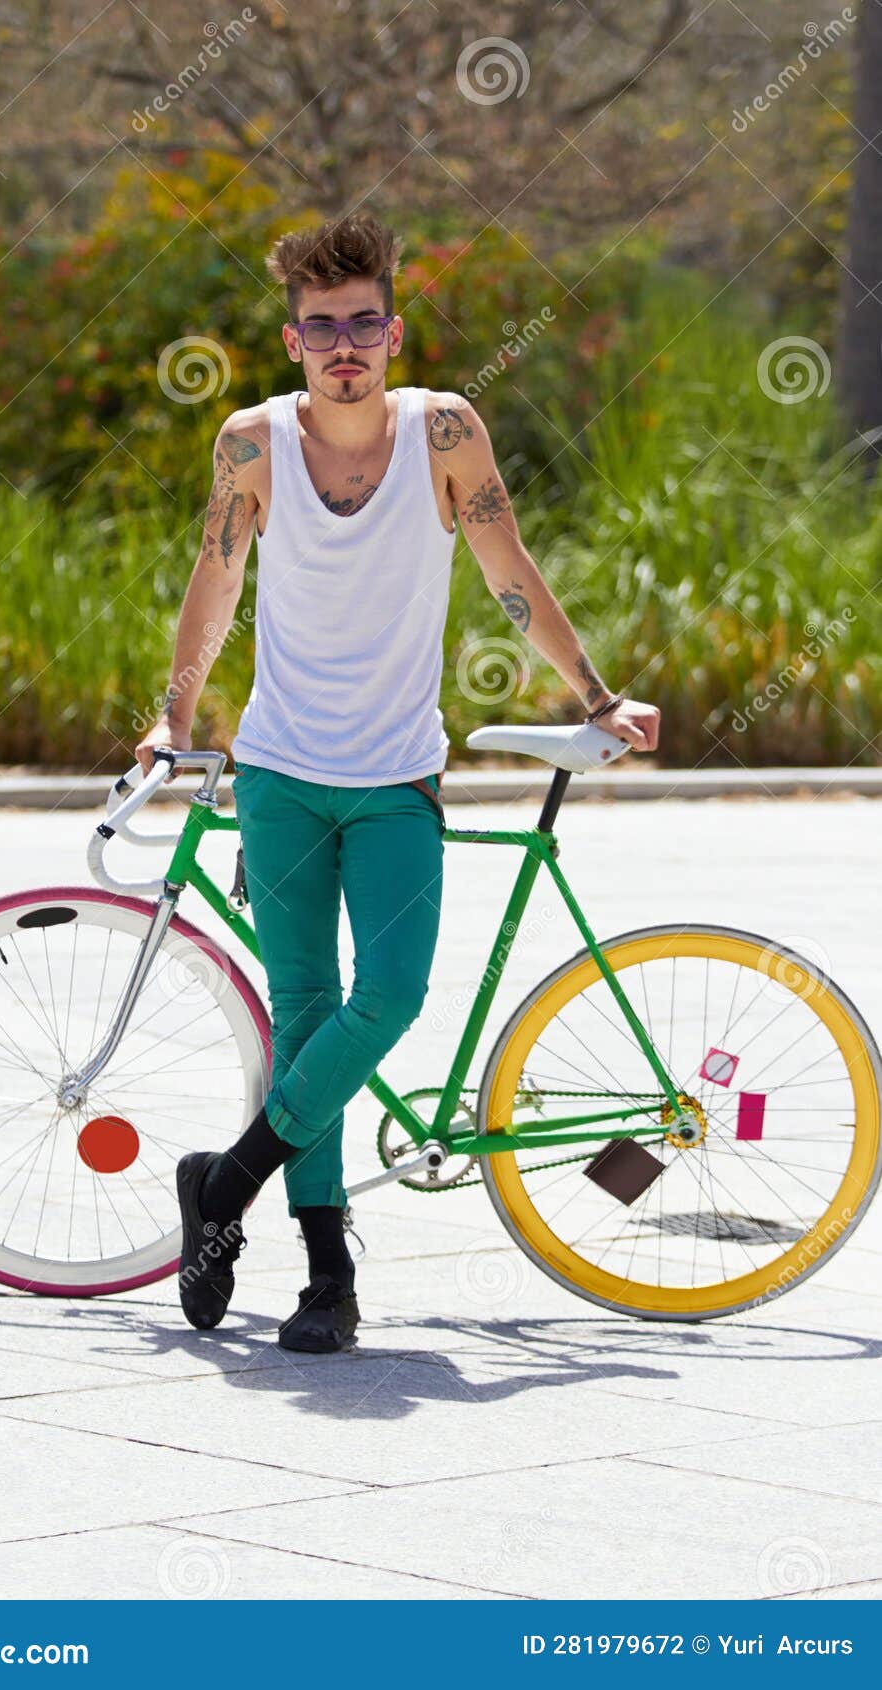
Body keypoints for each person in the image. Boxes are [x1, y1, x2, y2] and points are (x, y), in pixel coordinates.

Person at [135, 211, 660, 1353]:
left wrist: (595, 697)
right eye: (321, 325)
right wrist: (173, 717)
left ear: (394, 330)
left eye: (363, 322)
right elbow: (216, 574)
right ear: (291, 342)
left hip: (396, 776)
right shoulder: (252, 442)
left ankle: (222, 1187)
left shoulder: (445, 431)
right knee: (308, 1012)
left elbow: (506, 563)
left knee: (393, 995)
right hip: (278, 772)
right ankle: (328, 1277)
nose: (344, 344)